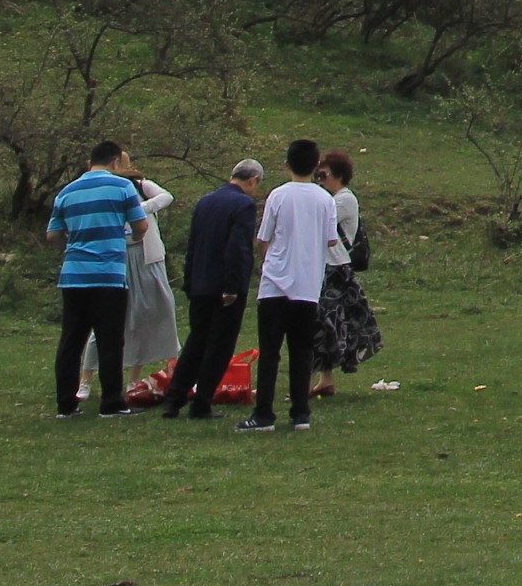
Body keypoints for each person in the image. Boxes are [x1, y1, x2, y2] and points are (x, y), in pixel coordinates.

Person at [44, 141, 149, 419]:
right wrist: (130, 238)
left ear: (90, 162)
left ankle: (66, 404)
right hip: (108, 275)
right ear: (115, 162)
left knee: (71, 341)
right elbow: (141, 226)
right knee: (110, 340)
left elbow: (52, 235)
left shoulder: (67, 191)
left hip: (74, 276)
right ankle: (112, 402)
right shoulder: (122, 187)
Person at [242, 137, 340, 433]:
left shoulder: (278, 195)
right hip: (307, 285)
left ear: (287, 164)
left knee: (270, 351)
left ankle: (264, 414)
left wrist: (268, 261)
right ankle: (300, 412)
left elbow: (263, 238)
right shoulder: (325, 199)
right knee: (302, 351)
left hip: (274, 286)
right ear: (316, 166)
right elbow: (331, 238)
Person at [162, 160, 262, 420]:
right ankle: (202, 401)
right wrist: (232, 286)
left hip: (201, 283)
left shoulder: (205, 202)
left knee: (196, 341)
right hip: (224, 287)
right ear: (252, 180)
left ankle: (174, 398)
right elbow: (238, 248)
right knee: (219, 345)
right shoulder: (244, 205)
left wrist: (190, 280)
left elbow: (193, 244)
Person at [83, 150, 177, 407]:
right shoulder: (104, 189)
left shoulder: (138, 184)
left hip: (146, 255)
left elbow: (166, 196)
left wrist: (139, 208)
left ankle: (137, 377)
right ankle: (86, 379)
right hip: (118, 257)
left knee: (152, 311)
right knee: (110, 318)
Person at [310, 149, 380, 394]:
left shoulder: (344, 199)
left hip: (336, 269)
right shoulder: (329, 198)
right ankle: (325, 380)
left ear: (337, 174)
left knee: (329, 321)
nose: (319, 179)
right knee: (323, 324)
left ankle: (324, 377)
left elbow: (319, 221)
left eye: (323, 174)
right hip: (324, 267)